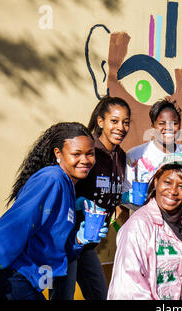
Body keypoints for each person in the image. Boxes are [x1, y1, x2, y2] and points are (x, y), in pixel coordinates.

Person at [0, 122, 108, 300]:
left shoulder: (66, 184)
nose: (85, 160)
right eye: (76, 154)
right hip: (12, 280)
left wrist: (79, 239)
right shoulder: (52, 179)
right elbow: (12, 228)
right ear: (58, 153)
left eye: (90, 153)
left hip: (29, 281)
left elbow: (54, 245)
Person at [49, 97, 131, 300]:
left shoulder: (120, 156)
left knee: (100, 295)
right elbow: (63, 187)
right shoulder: (87, 151)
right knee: (63, 296)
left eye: (126, 122)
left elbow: (108, 191)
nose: (121, 127)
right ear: (100, 121)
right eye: (114, 121)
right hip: (68, 239)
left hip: (88, 244)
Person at [107, 153, 182, 300]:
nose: (173, 191)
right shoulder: (139, 225)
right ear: (156, 182)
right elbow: (128, 289)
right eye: (167, 182)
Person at [122, 99, 182, 210]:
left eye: (174, 123)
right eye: (162, 123)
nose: (168, 127)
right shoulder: (135, 156)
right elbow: (125, 194)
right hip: (144, 220)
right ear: (153, 125)